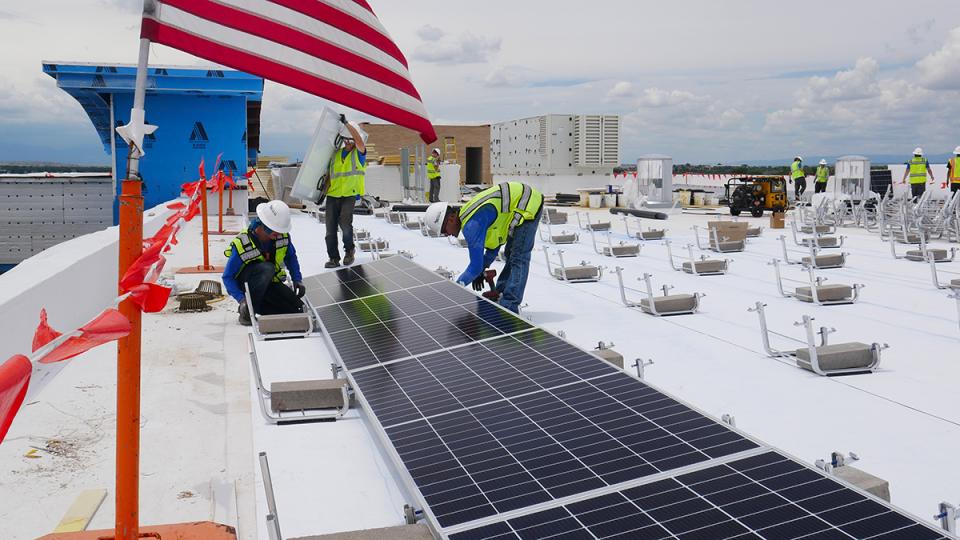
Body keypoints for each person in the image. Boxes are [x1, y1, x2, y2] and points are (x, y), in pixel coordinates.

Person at [424, 182, 543, 313]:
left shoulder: (471, 225)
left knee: (518, 257)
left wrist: (457, 288)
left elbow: (474, 266)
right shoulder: (468, 216)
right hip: (520, 201)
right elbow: (494, 247)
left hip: (527, 202)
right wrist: (482, 267)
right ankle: (502, 291)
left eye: (444, 230)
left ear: (451, 218)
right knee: (511, 254)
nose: (447, 234)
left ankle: (510, 304)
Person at [222, 200, 305, 326]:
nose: (278, 235)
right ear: (263, 225)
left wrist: (297, 279)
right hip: (247, 285)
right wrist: (242, 300)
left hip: (269, 282)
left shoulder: (282, 236)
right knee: (267, 268)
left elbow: (291, 257)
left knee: (296, 308)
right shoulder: (243, 243)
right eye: (275, 231)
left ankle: (260, 307)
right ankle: (248, 310)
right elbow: (227, 277)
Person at [325, 115, 367, 268]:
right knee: (330, 230)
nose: (348, 142)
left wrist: (347, 124)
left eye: (350, 140)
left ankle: (349, 251)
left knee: (345, 225)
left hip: (349, 195)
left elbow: (359, 141)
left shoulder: (359, 154)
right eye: (345, 139)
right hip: (332, 195)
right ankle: (333, 258)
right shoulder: (335, 155)